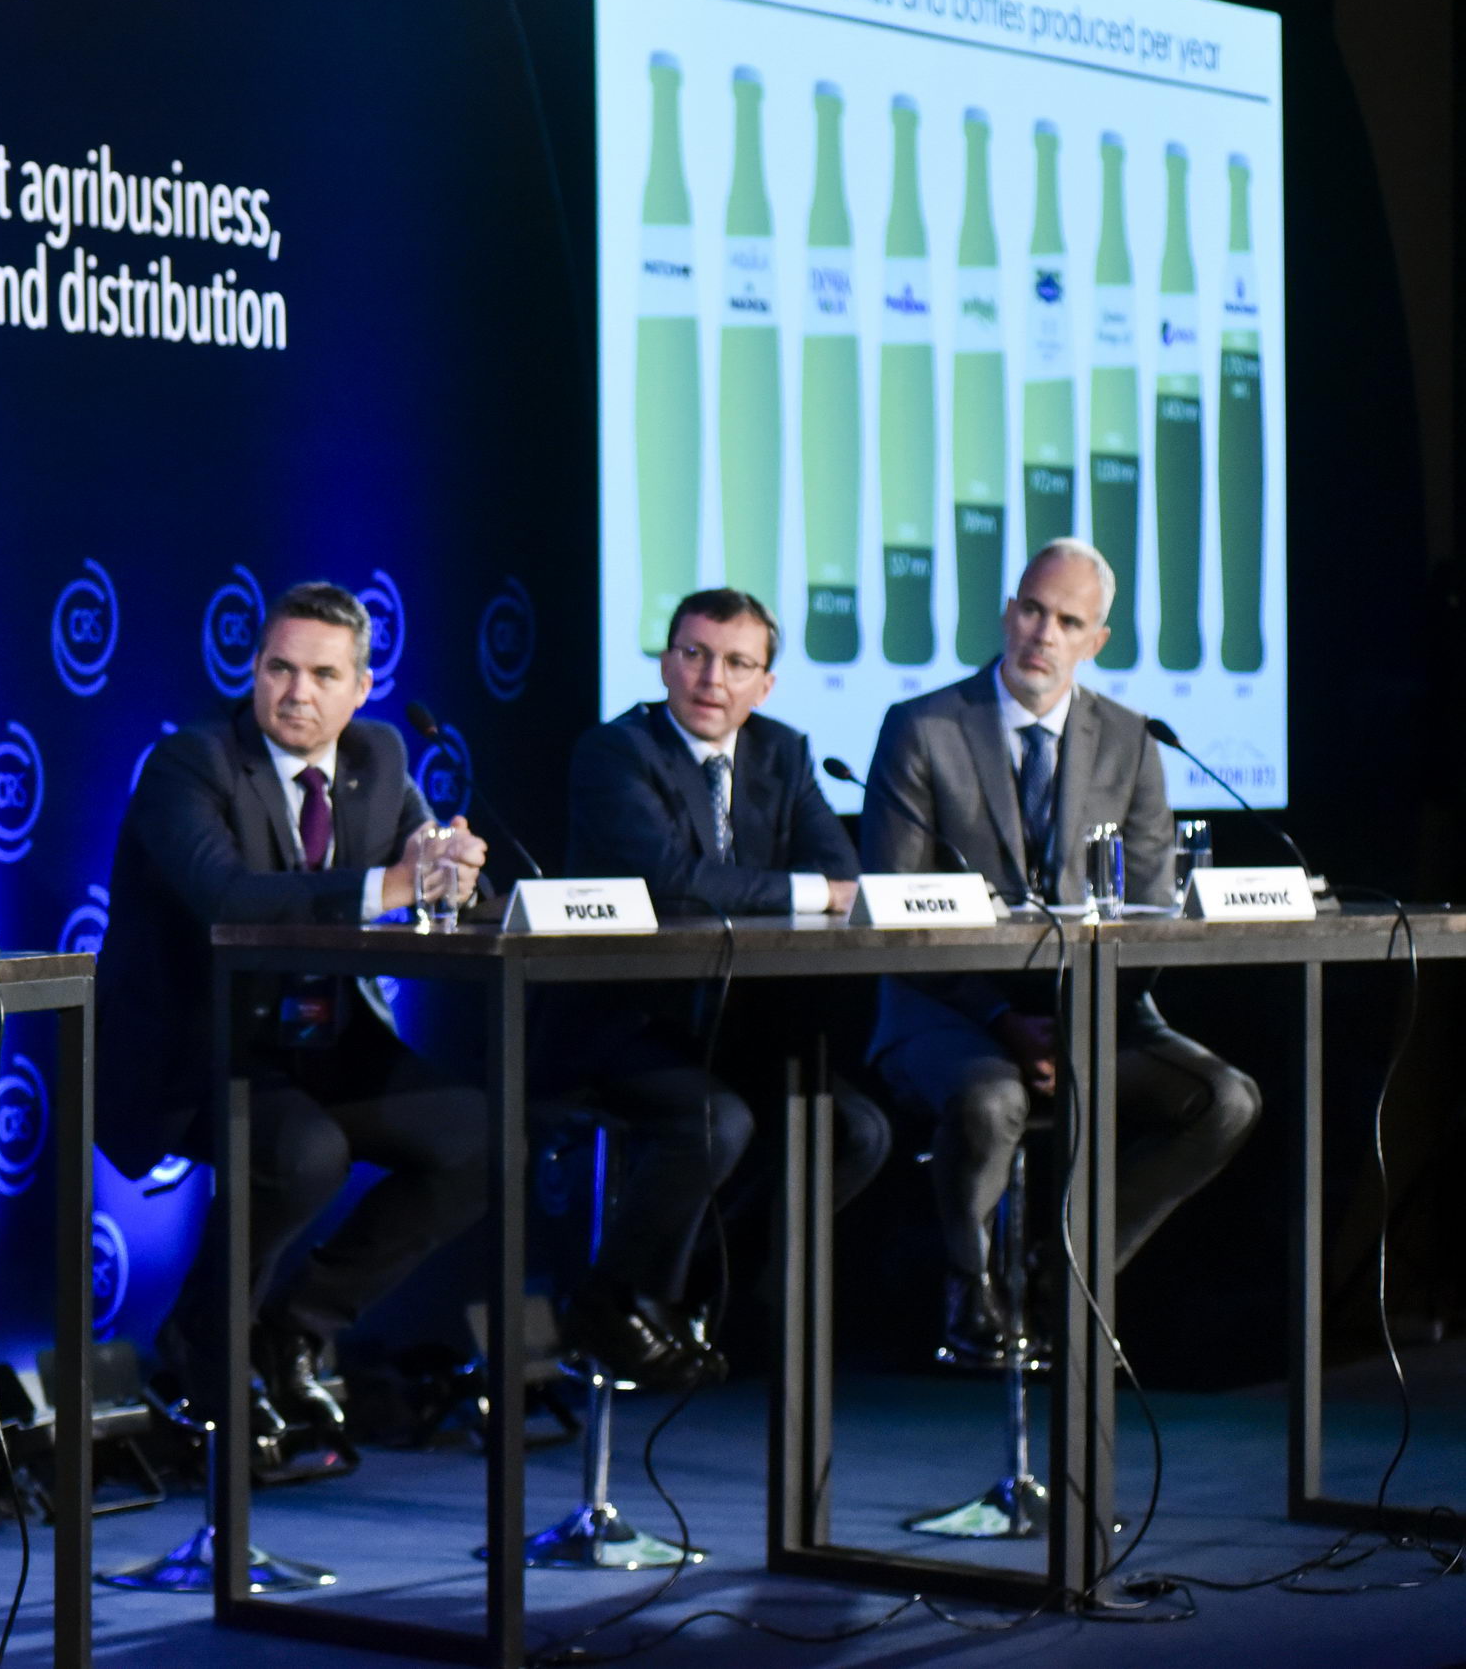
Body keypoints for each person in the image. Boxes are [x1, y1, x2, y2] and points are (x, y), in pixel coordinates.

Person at [95, 582, 490, 1455]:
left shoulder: (380, 756)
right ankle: (202, 1347)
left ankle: (295, 1326)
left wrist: (453, 869)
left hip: (321, 1039)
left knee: (482, 1140)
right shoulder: (193, 762)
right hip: (196, 1049)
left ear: (363, 686)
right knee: (306, 1152)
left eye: (323, 674)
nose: (296, 692)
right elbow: (228, 898)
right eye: (279, 668)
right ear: (254, 668)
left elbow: (432, 866)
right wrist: (393, 883)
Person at [861, 537, 1261, 1365]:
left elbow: (1148, 909)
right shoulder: (923, 727)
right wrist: (1003, 1019)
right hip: (948, 1004)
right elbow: (893, 915)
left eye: (1068, 621)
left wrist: (1076, 1026)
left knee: (1226, 1098)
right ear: (1008, 612)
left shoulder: (1131, 738)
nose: (1044, 633)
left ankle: (1065, 1270)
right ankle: (970, 1290)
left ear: (1096, 640)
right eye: (1033, 610)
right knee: (992, 1098)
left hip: (1094, 1008)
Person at [565, 586, 891, 1261]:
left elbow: (840, 868)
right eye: (695, 654)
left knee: (857, 1131)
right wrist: (808, 892)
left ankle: (725, 1285)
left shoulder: (783, 752)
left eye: (737, 663)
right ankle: (619, 1299)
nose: (712, 678)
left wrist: (819, 888)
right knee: (719, 1124)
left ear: (764, 685)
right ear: (665, 664)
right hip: (629, 1020)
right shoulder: (617, 751)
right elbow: (672, 881)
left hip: (742, 1020)